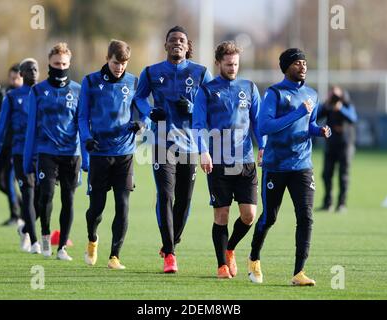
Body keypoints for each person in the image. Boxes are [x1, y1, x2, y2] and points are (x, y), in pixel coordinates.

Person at [248, 48, 331, 286]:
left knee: (306, 217)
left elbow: (309, 124)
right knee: (270, 217)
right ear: (285, 67)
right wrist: (297, 113)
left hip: (302, 166)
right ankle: (254, 258)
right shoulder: (274, 93)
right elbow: (264, 127)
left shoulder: (311, 94)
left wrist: (320, 131)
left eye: (304, 62)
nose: (302, 66)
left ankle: (299, 273)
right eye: (297, 63)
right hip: (276, 166)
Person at [135, 26, 213, 273]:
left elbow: (213, 102)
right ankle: (170, 253)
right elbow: (138, 98)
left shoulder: (201, 73)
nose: (177, 43)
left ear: (188, 46)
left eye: (181, 40)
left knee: (184, 200)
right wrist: (149, 112)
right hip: (161, 145)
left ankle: (172, 239)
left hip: (190, 145)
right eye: (172, 40)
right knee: (166, 197)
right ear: (166, 45)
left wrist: (192, 108)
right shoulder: (151, 72)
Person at [193, 41, 265, 279]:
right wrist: (203, 151)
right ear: (218, 63)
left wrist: (263, 146)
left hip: (244, 162)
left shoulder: (249, 87)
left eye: (235, 64)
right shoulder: (207, 91)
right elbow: (198, 125)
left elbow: (258, 122)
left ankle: (230, 248)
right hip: (218, 162)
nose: (233, 68)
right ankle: (222, 265)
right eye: (228, 64)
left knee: (249, 215)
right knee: (221, 215)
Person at [79, 39, 148, 270]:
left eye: (124, 63)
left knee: (123, 205)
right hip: (99, 152)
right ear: (107, 59)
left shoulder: (134, 81)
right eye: (116, 62)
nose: (120, 67)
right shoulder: (90, 81)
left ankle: (114, 256)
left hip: (125, 153)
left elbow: (144, 110)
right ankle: (92, 238)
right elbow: (82, 116)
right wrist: (87, 138)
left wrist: (142, 124)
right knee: (96, 209)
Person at [24, 43, 88, 261]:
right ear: (49, 64)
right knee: (46, 195)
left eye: (63, 64)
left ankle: (62, 247)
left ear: (69, 64)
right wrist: (27, 161)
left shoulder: (79, 90)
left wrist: (85, 158)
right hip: (47, 152)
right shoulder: (38, 90)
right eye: (56, 64)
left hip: (72, 153)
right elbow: (31, 127)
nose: (60, 67)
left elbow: (82, 125)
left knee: (68, 199)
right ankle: (44, 237)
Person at [0, 58, 41, 254]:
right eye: (28, 70)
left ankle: (25, 228)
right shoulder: (11, 97)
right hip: (18, 151)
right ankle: (34, 240)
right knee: (26, 192)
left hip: (43, 154)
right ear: (22, 73)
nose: (33, 73)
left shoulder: (45, 92)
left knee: (43, 199)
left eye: (35, 69)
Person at [0, 63, 23, 226]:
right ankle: (23, 205)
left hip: (20, 145)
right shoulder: (6, 95)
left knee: (9, 177)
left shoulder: (29, 94)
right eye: (11, 78)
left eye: (16, 78)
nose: (13, 81)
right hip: (5, 146)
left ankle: (16, 215)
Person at [317, 86, 358, 213]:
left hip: (345, 146)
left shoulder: (346, 104)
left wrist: (340, 108)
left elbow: (353, 118)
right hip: (331, 145)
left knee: (343, 175)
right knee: (326, 175)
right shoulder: (328, 107)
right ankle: (327, 203)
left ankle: (341, 204)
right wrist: (326, 104)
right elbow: (316, 116)